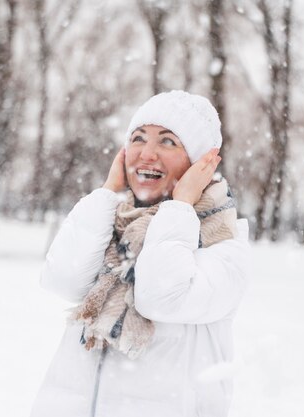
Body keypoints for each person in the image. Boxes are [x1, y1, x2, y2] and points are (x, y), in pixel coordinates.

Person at [30, 90, 251, 417]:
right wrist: (107, 193)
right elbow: (63, 280)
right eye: (137, 138)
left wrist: (179, 207)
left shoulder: (223, 247)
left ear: (202, 163)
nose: (147, 154)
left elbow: (161, 298)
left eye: (167, 142)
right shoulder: (114, 228)